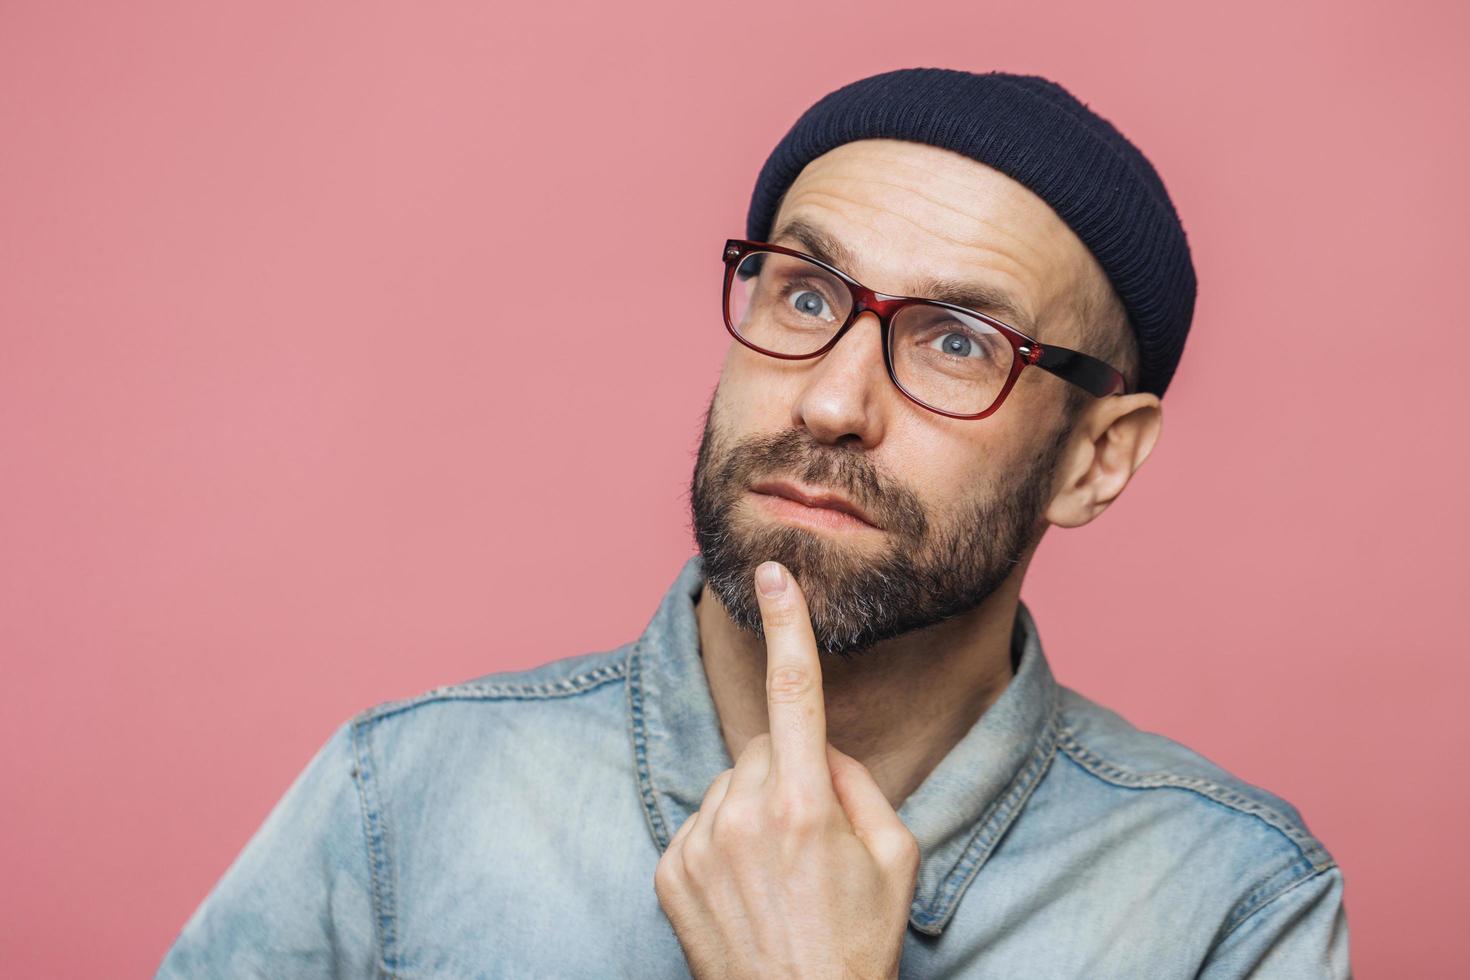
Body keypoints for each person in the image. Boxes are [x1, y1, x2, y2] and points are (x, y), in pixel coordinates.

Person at [157, 67, 1352, 978]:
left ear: (1095, 458)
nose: (831, 400)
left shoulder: (1229, 903)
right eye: (804, 293)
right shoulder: (402, 796)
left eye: (955, 341)